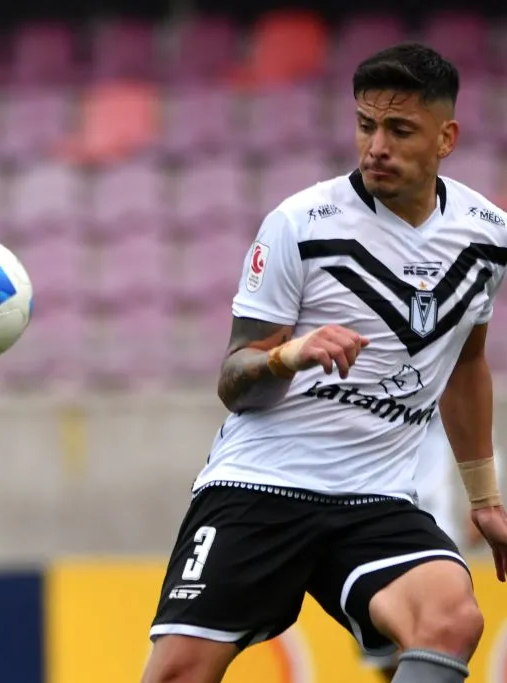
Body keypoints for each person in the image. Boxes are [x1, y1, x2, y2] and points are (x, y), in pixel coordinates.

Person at [140, 42, 507, 683]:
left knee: (452, 617)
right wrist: (288, 354)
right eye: (366, 125)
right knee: (177, 674)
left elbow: (467, 364)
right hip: (259, 487)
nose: (376, 147)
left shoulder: (487, 237)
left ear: (447, 137)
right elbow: (234, 382)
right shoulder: (300, 225)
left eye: (399, 129)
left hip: (376, 499)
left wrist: (484, 497)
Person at [365, 411, 505, 680]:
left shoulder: (436, 373)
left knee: (430, 638)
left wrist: (484, 499)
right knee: (385, 656)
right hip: (368, 523)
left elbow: (478, 431)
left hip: (430, 526)